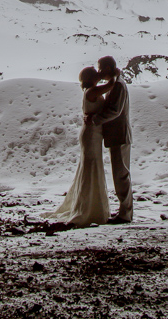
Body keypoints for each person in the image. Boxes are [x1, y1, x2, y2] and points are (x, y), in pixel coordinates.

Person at [44, 66, 113, 226]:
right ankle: (88, 208)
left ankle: (90, 206)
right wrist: (113, 74)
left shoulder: (91, 90)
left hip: (93, 133)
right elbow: (110, 85)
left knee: (91, 167)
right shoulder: (91, 91)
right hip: (91, 134)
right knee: (91, 167)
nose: (98, 74)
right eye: (95, 73)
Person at [87, 54, 132, 223]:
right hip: (118, 135)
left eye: (100, 69)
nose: (99, 73)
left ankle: (125, 214)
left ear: (107, 68)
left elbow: (115, 111)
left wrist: (95, 119)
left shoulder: (118, 85)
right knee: (121, 175)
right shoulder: (117, 83)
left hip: (119, 135)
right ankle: (124, 211)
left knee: (121, 176)